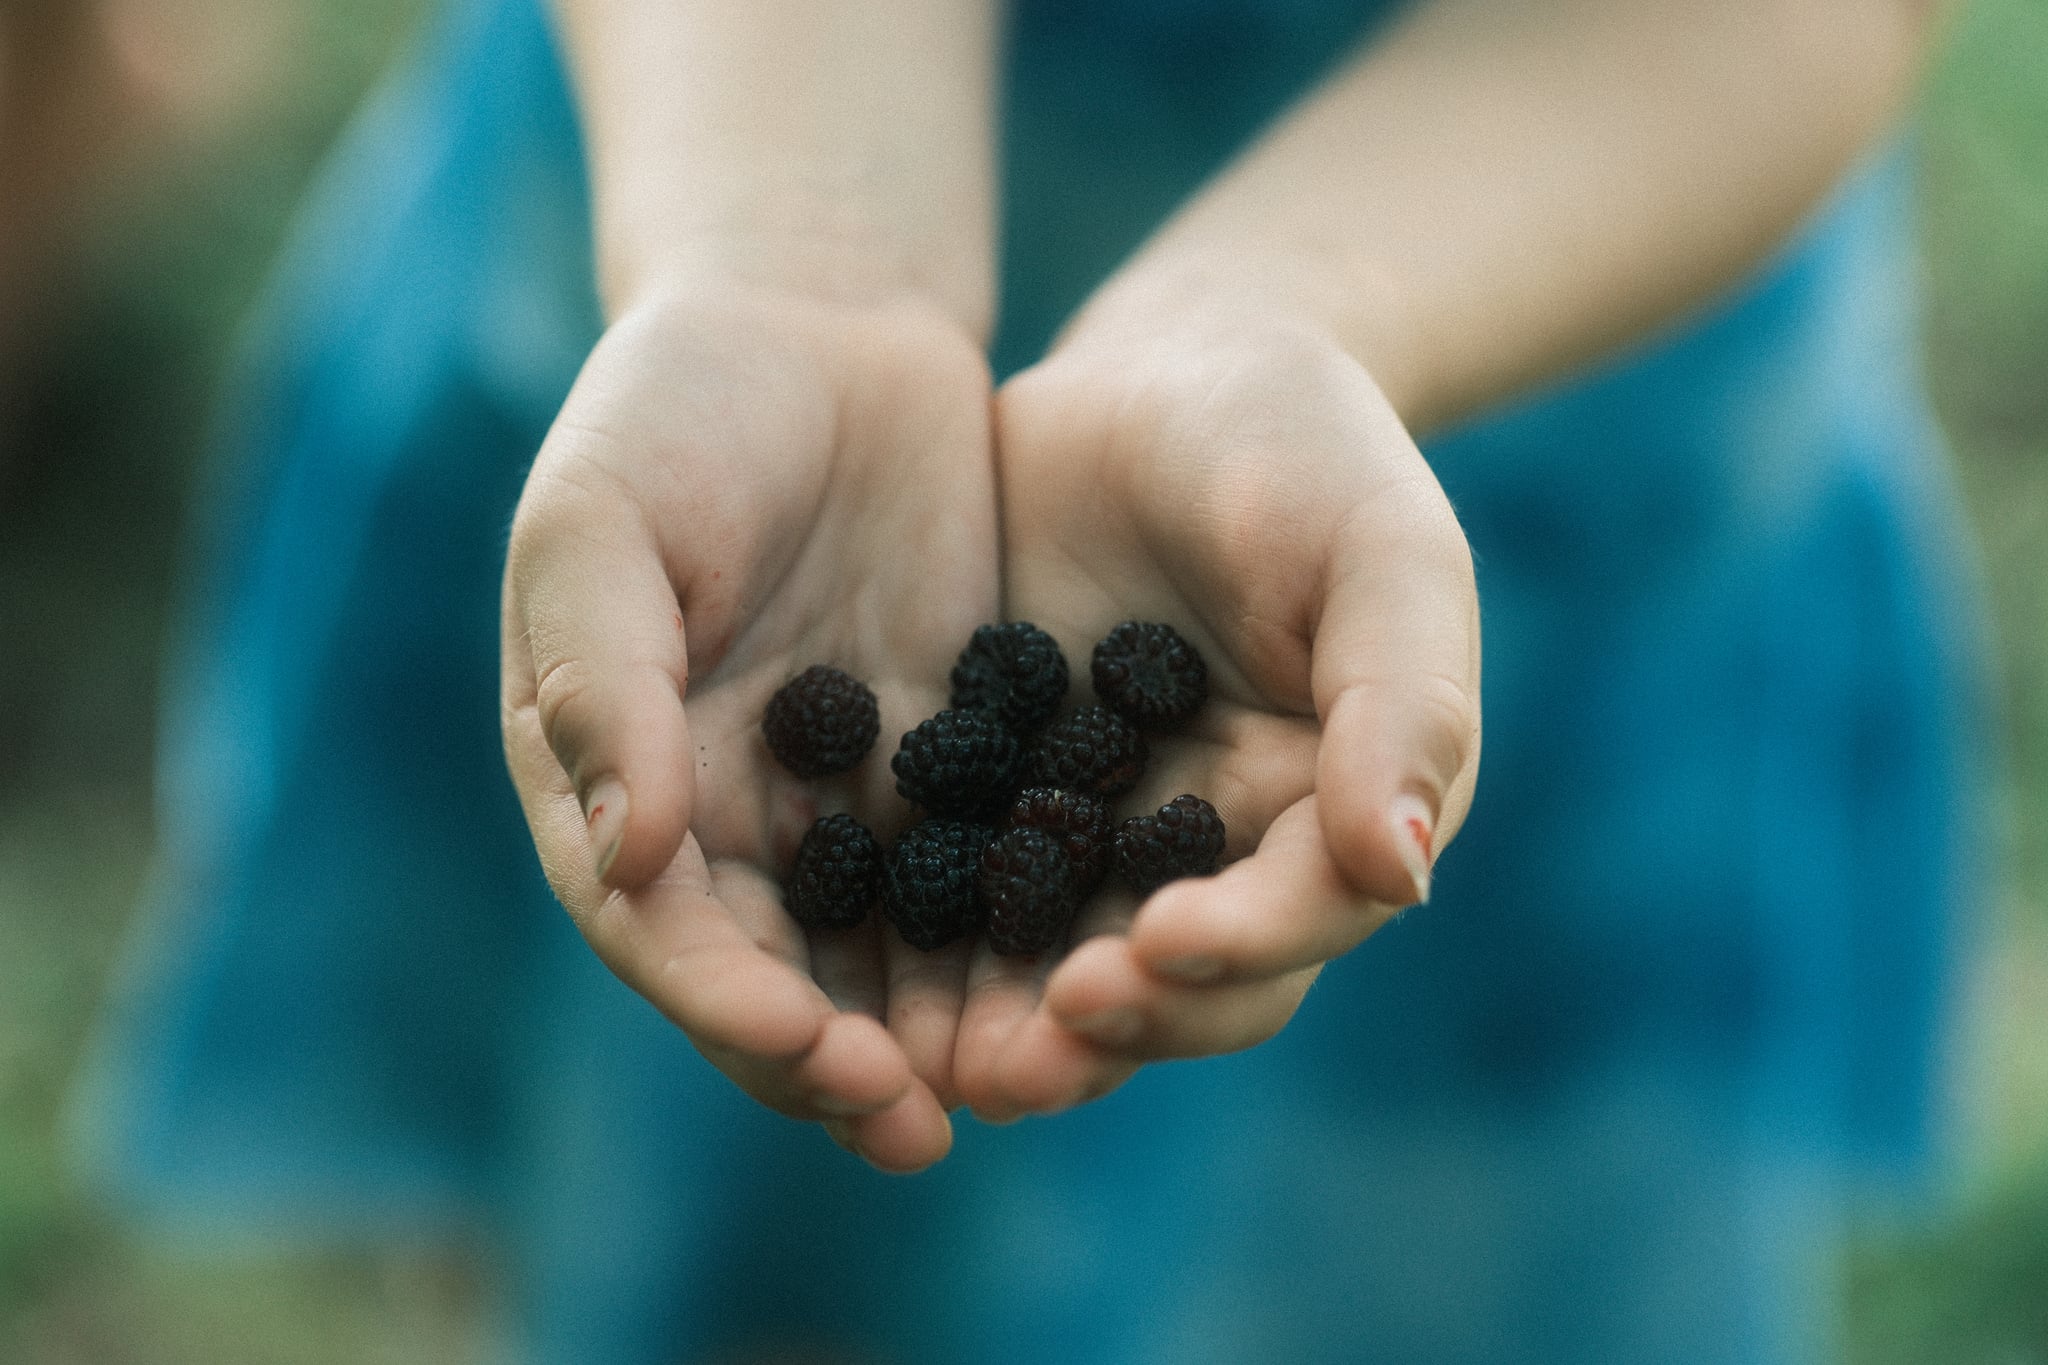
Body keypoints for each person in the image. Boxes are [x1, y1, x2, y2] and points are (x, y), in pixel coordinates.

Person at [74, 0, 1984, 1361]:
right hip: (710, 189)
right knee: (720, 1238)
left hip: (1539, 382)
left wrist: (1284, 311)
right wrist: (797, 257)